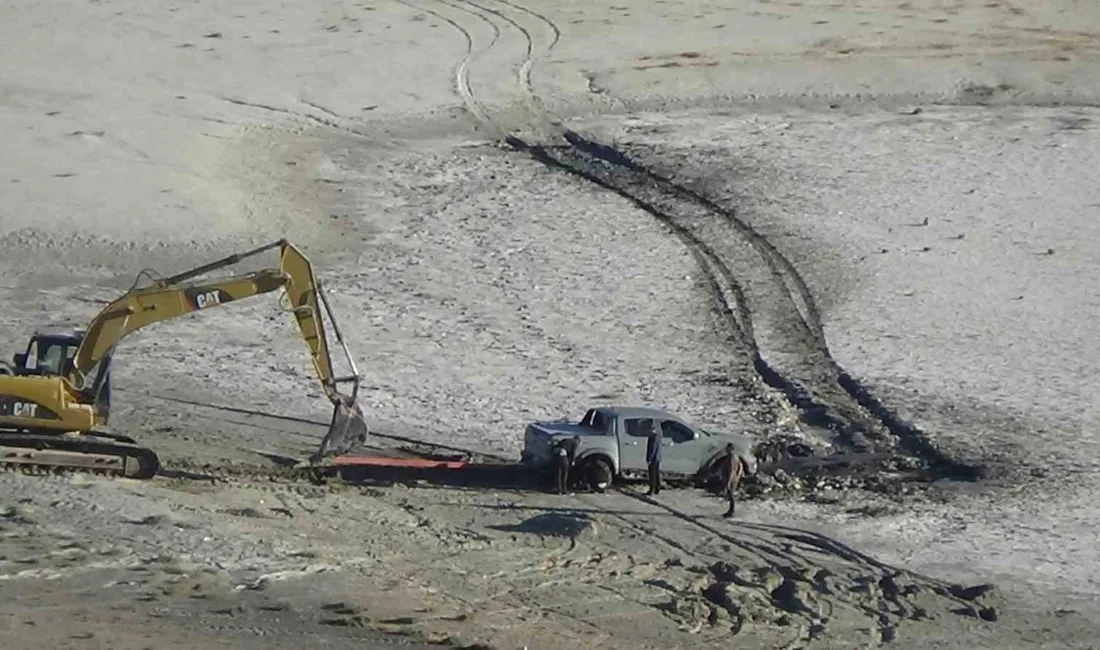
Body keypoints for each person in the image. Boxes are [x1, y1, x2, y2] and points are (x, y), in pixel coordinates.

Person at [716, 443, 744, 518]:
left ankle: (732, 511)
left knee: (731, 494)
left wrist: (729, 481)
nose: (726, 450)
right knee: (730, 494)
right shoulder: (735, 457)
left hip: (731, 479)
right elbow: (740, 467)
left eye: (727, 448)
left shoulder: (732, 458)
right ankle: (731, 510)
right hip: (734, 478)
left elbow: (732, 470)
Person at [645, 421, 662, 496]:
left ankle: (652, 489)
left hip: (654, 458)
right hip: (658, 457)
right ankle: (657, 488)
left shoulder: (653, 437)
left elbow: (652, 449)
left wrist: (649, 458)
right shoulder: (658, 436)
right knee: (656, 473)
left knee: (652, 475)